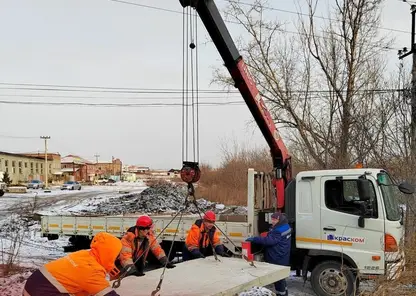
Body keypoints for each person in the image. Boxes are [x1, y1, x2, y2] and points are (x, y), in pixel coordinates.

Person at [22, 232, 122, 296]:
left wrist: (109, 268)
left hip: (33, 287)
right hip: (42, 292)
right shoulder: (92, 271)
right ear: (109, 254)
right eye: (116, 255)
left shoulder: (84, 255)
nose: (117, 258)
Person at [246, 212, 292, 296]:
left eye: (275, 220)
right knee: (281, 277)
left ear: (279, 219)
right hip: (283, 255)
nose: (273, 221)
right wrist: (269, 234)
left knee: (277, 278)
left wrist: (254, 239)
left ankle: (281, 294)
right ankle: (285, 292)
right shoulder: (286, 226)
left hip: (276, 257)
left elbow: (269, 241)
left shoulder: (278, 230)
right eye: (272, 219)